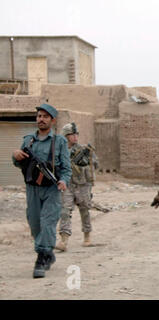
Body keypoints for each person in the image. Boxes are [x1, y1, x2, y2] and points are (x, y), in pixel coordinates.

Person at [12, 104, 71, 278]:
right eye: (39, 116)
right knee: (35, 223)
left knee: (48, 222)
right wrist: (15, 155)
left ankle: (42, 257)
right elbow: (20, 162)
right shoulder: (28, 140)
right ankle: (48, 253)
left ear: (52, 120)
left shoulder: (59, 142)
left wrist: (63, 180)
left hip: (52, 189)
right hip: (32, 189)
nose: (41, 119)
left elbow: (67, 168)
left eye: (45, 116)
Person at [55, 122, 98, 251]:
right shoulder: (59, 151)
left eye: (76, 134)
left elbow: (94, 164)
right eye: (72, 134)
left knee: (84, 211)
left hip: (83, 185)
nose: (75, 137)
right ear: (65, 136)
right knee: (65, 211)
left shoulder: (83, 150)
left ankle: (87, 236)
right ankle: (64, 241)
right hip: (67, 185)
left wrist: (84, 165)